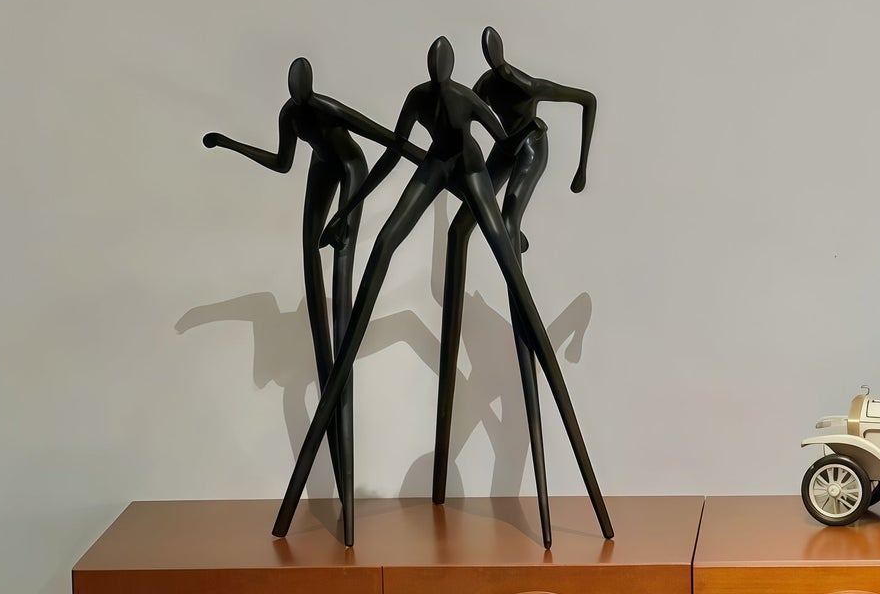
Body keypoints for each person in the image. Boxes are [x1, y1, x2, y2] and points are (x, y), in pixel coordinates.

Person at [273, 39, 613, 544]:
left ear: (450, 67)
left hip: (475, 168)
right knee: (386, 244)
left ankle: (565, 487)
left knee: (505, 263)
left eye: (441, 64)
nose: (437, 70)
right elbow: (391, 155)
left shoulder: (485, 93)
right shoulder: (425, 97)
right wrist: (349, 211)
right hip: (437, 165)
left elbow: (508, 137)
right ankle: (342, 378)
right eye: (433, 64)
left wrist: (509, 207)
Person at [204, 60, 419, 542]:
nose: (297, 93)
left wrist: (351, 209)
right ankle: (340, 476)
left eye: (301, 86)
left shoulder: (327, 108)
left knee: (341, 270)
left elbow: (388, 140)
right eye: (293, 89)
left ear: (311, 86)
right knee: (308, 251)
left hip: (350, 171)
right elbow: (282, 163)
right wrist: (230, 143)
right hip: (323, 168)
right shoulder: (292, 115)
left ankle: (347, 489)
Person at [426, 30, 600, 538]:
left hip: (530, 148)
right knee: (463, 227)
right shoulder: (480, 85)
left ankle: (515, 241)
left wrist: (581, 167)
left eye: (497, 63)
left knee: (504, 222)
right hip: (503, 148)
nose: (495, 69)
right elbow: (469, 130)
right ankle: (508, 238)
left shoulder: (527, 85)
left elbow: (588, 100)